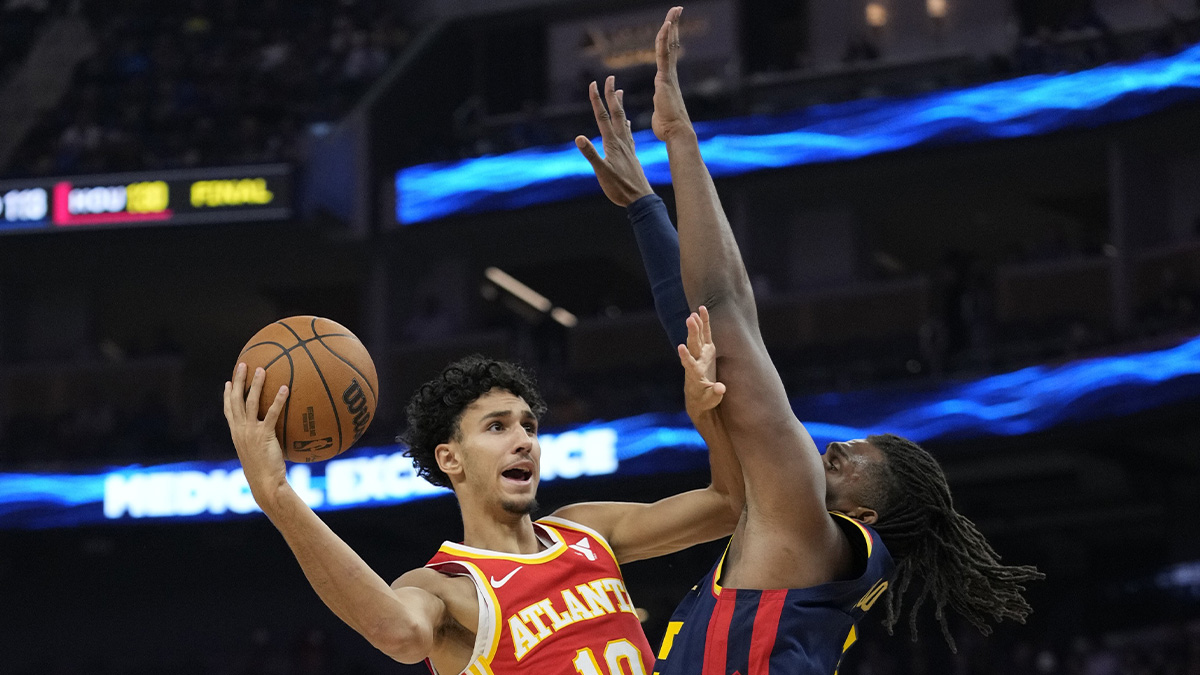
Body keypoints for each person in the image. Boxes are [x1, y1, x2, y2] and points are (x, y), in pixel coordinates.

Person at [573, 7, 1045, 673]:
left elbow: (727, 312)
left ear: (864, 516)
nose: (840, 444)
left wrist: (679, 138)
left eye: (857, 459)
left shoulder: (801, 520)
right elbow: (709, 327)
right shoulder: (795, 549)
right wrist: (646, 207)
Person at [222, 333, 739, 675]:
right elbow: (398, 634)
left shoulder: (585, 531)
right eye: (497, 427)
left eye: (528, 426)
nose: (524, 441)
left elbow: (728, 505)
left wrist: (708, 418)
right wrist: (278, 497)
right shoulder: (444, 585)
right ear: (451, 458)